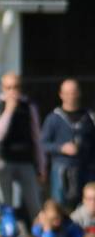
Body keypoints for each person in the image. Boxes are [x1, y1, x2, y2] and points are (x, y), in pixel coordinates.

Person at [0, 72, 44, 223]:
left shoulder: (29, 107)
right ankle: (9, 236)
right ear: (3, 88)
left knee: (35, 205)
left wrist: (41, 166)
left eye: (16, 87)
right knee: (7, 205)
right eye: (8, 87)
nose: (12, 91)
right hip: (5, 162)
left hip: (26, 162)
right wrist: (9, 110)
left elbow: (37, 138)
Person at [40, 79, 95, 209]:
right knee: (60, 208)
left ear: (79, 93)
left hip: (85, 170)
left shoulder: (89, 117)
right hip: (61, 171)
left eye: (74, 92)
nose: (71, 96)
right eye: (67, 93)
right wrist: (61, 148)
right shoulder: (53, 118)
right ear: (61, 94)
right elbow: (43, 144)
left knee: (87, 207)